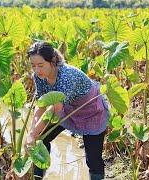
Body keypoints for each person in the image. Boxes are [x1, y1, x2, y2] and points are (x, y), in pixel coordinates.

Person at [24, 41, 109, 180]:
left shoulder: (66, 76)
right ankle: (37, 176)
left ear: (52, 61)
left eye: (40, 65)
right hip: (66, 109)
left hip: (90, 111)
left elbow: (53, 110)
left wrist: (33, 134)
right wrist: (32, 133)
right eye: (33, 66)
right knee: (41, 138)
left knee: (93, 159)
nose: (37, 70)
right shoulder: (38, 77)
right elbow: (41, 105)